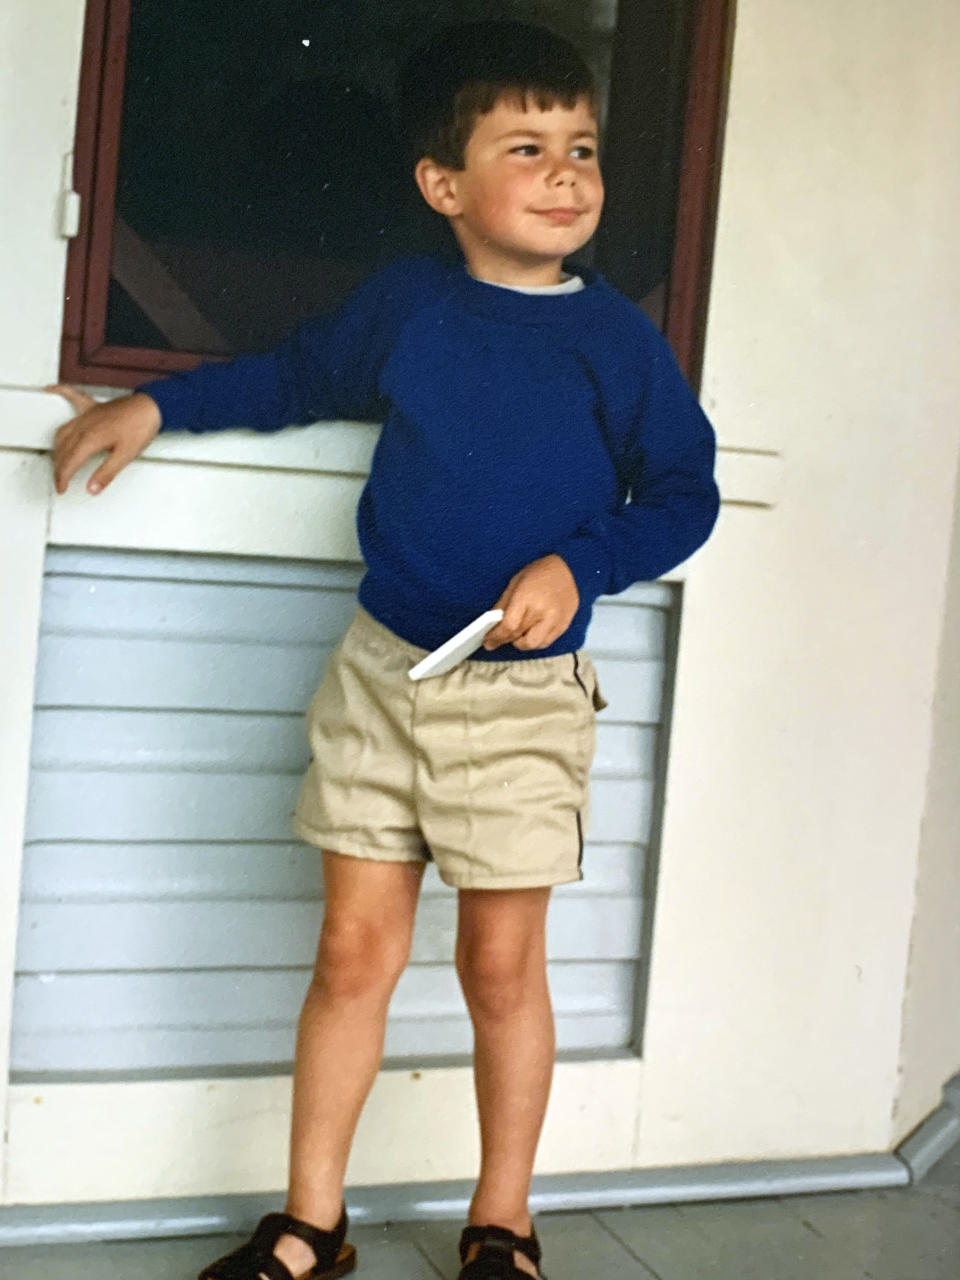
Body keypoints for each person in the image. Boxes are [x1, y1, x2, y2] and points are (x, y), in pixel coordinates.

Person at [49, 19, 720, 1280]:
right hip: (378, 676)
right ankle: (313, 1221)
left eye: (582, 146)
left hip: (519, 702)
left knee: (499, 962)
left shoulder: (616, 341)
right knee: (353, 952)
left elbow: (684, 493)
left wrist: (582, 563)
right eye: (529, 147)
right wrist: (155, 400)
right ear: (445, 186)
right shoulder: (410, 306)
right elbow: (293, 377)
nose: (570, 172)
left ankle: (502, 1220)